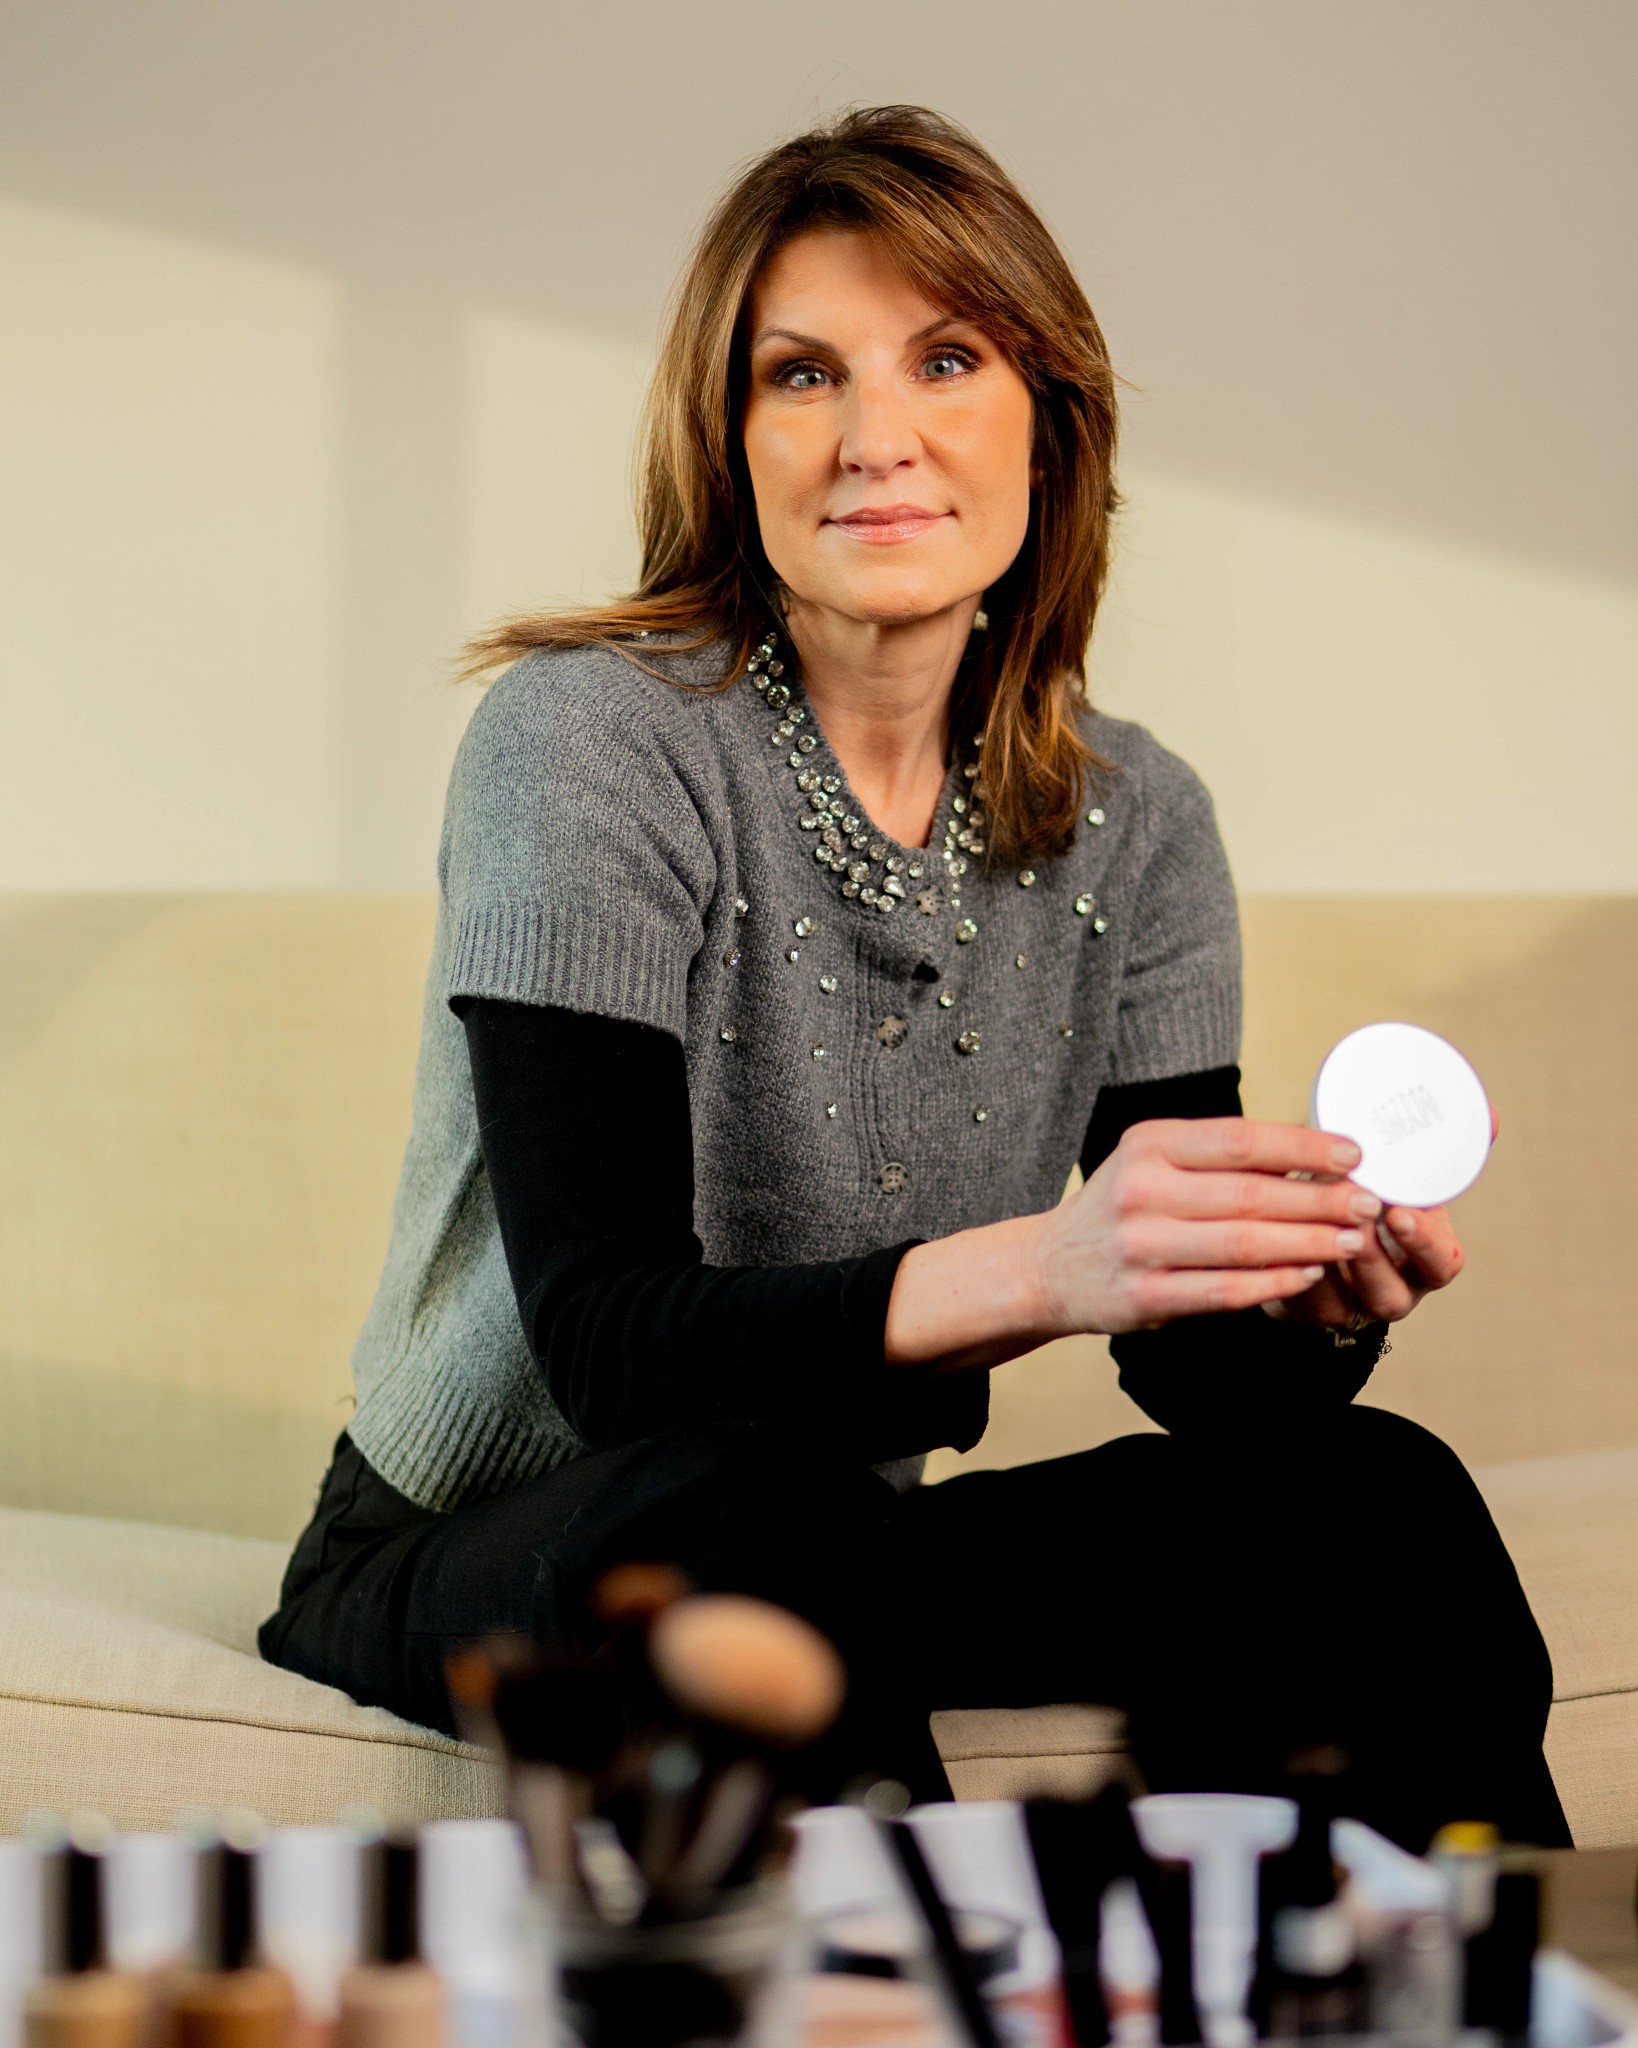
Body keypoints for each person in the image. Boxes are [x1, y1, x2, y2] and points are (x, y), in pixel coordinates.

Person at [259, 106, 1568, 1849]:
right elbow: (602, 1345)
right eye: (801, 376)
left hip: (827, 1539)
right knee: (732, 1515)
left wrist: (1292, 1306)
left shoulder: (1136, 818)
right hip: (502, 1538)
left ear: (1045, 423)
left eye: (943, 358)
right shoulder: (591, 740)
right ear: (731, 444)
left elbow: (1191, 1376)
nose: (876, 436)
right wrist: (1055, 1261)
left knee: (1364, 1497)